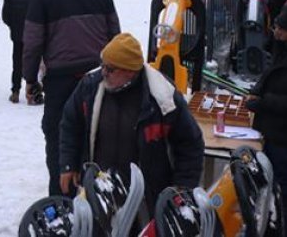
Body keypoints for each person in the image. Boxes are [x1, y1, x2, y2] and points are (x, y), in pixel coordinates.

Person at [58, 33, 204, 210]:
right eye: (103, 65)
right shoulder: (90, 86)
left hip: (147, 197)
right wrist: (68, 163)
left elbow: (190, 142)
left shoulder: (163, 98)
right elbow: (70, 123)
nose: (103, 73)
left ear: (130, 71)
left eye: (110, 69)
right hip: (100, 190)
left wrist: (182, 186)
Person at [21, 0, 120, 196]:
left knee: (57, 135)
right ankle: (98, 194)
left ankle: (61, 195)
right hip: (99, 77)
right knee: (98, 135)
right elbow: (115, 34)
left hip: (61, 79)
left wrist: (30, 79)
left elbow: (32, 42)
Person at [246, 4, 287, 237]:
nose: (276, 30)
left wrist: (264, 102)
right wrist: (258, 90)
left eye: (281, 28)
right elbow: (272, 73)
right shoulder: (285, 48)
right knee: (267, 187)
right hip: (274, 133)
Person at [2, 0, 39, 103]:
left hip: (17, 34)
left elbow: (6, 16)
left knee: (16, 62)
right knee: (34, 62)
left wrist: (13, 26)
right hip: (35, 35)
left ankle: (15, 90)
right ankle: (33, 91)